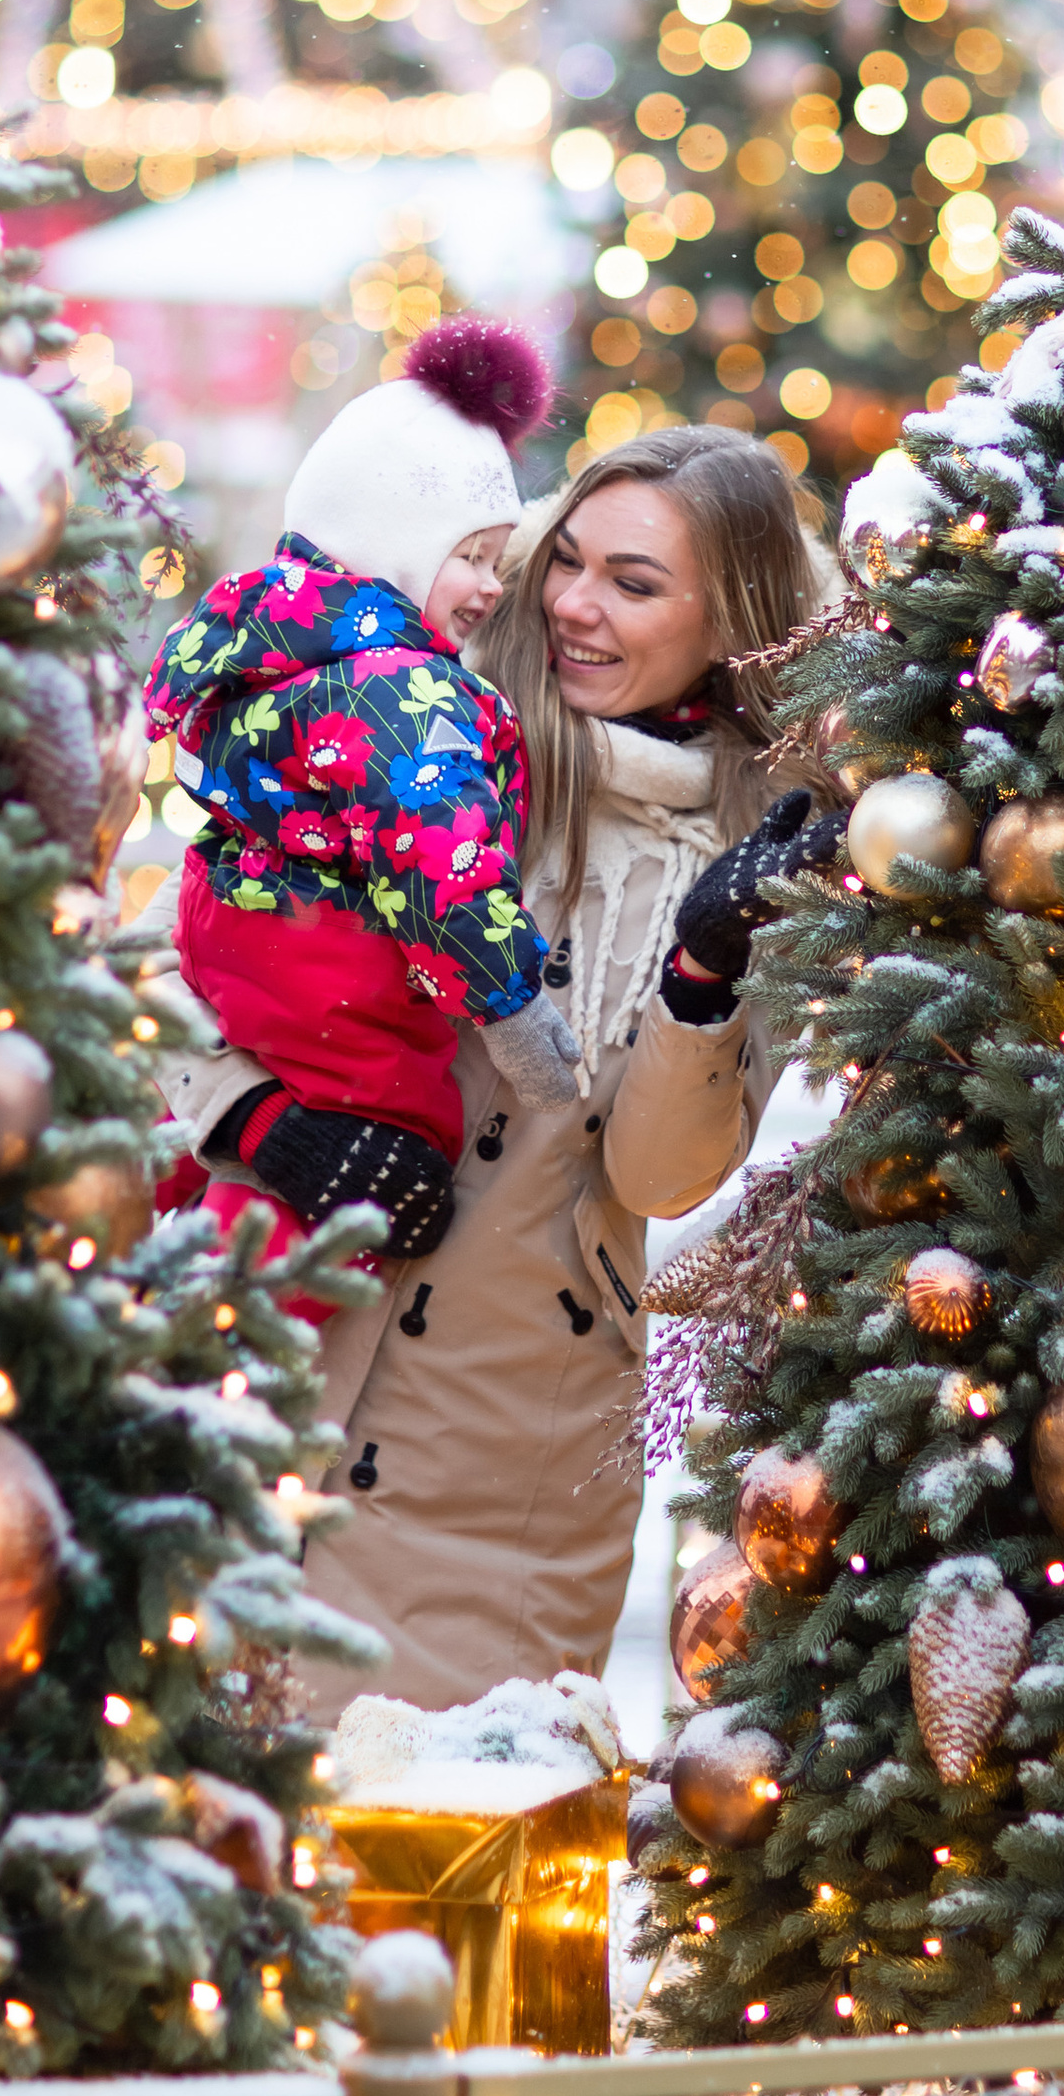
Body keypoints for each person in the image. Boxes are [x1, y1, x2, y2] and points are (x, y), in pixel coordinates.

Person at [172, 419, 836, 1709]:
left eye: (635, 586)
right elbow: (170, 958)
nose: (577, 609)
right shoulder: (405, 721)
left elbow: (654, 1177)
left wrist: (703, 975)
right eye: (566, 561)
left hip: (501, 1452)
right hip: (265, 1356)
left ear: (730, 626)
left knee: (437, 1877)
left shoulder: (768, 845)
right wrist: (263, 1128)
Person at [144, 319, 582, 1271]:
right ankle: (236, 1347)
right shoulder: (400, 691)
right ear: (393, 545)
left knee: (222, 1140)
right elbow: (441, 863)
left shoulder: (272, 635)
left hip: (229, 932)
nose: (491, 588)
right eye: (471, 557)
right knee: (385, 1141)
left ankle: (158, 1194)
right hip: (329, 968)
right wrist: (511, 1009)